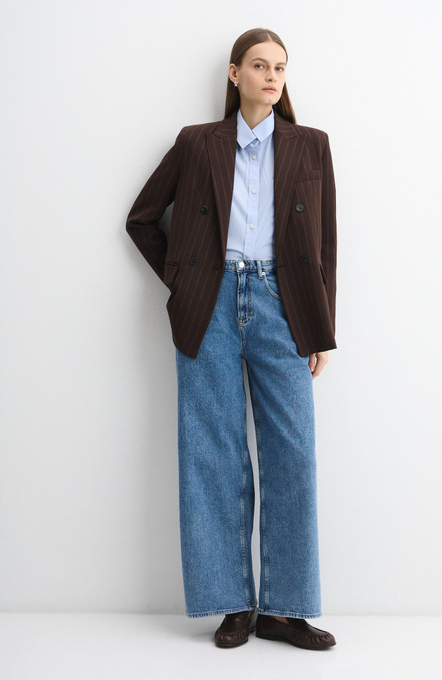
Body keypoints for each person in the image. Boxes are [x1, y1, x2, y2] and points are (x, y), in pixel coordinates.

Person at [126, 27, 337, 650]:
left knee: (293, 453)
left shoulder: (311, 145)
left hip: (283, 304)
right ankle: (234, 605)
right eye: (260, 65)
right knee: (212, 454)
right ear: (234, 73)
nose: (272, 77)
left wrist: (321, 327)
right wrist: (185, 280)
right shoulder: (198, 143)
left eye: (280, 67)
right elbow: (142, 218)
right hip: (210, 306)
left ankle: (285, 610)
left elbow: (325, 244)